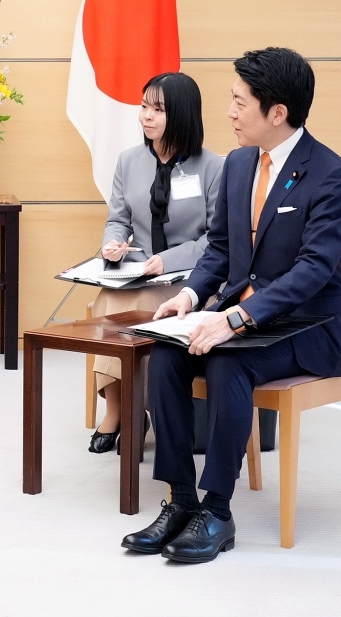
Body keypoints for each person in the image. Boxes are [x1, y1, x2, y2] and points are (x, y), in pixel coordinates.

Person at [122, 47, 341, 563]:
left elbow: (314, 269)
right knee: (165, 355)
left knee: (229, 359)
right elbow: (222, 250)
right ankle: (180, 500)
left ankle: (218, 511)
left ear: (277, 113)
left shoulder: (331, 175)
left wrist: (237, 318)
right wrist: (189, 296)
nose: (228, 112)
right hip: (236, 314)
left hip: (308, 325)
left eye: (238, 102)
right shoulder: (240, 163)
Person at [88, 72, 224, 454]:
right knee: (111, 302)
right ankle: (120, 410)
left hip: (190, 280)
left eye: (158, 109)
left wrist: (168, 260)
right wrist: (113, 245)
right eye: (144, 106)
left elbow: (218, 238)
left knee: (130, 308)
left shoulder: (214, 168)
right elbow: (118, 219)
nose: (146, 116)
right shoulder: (129, 161)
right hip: (138, 273)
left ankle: (132, 410)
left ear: (181, 114)